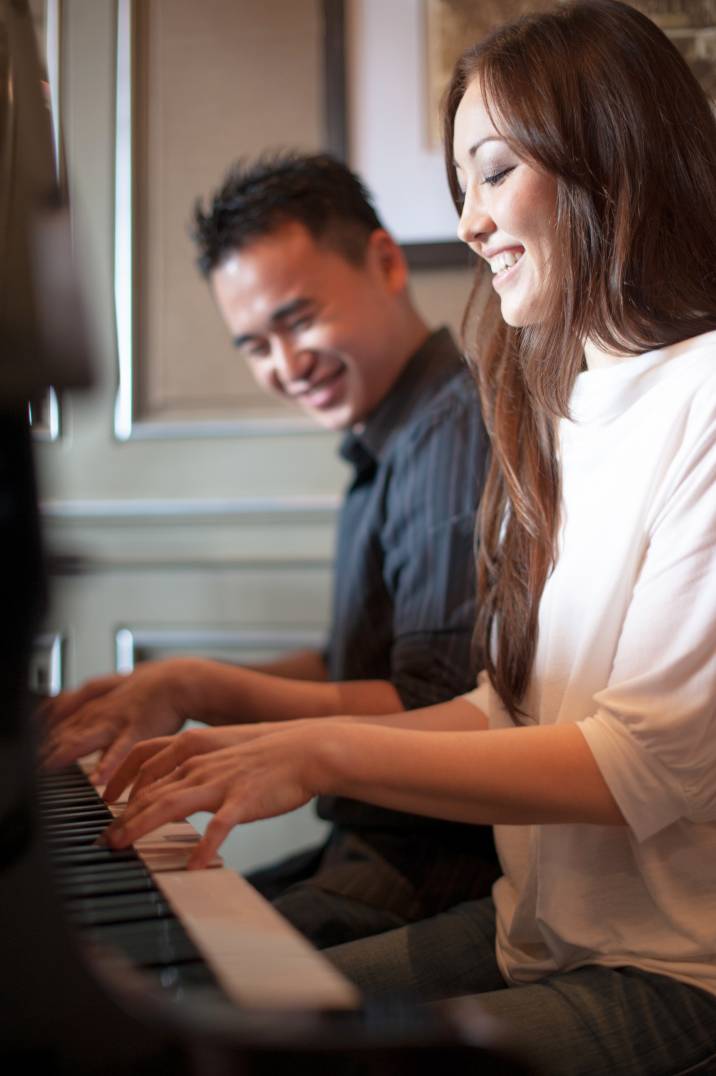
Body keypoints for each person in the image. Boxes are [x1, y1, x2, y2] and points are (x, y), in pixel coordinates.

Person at [97, 2, 716, 1072]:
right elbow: (495, 701)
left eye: (490, 170)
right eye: (458, 186)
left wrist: (319, 746)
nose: (469, 223)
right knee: (192, 1008)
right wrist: (259, 737)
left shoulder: (700, 396)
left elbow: (640, 765)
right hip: (538, 930)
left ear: (608, 152)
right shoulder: (560, 405)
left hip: (672, 970)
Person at [42, 151, 497, 948]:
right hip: (368, 843)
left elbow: (429, 705)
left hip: (431, 865)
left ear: (385, 262)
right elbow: (350, 669)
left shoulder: (450, 427)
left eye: (298, 319)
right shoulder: (388, 439)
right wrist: (164, 683)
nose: (286, 366)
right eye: (255, 345)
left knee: (174, 979)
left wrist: (195, 683)